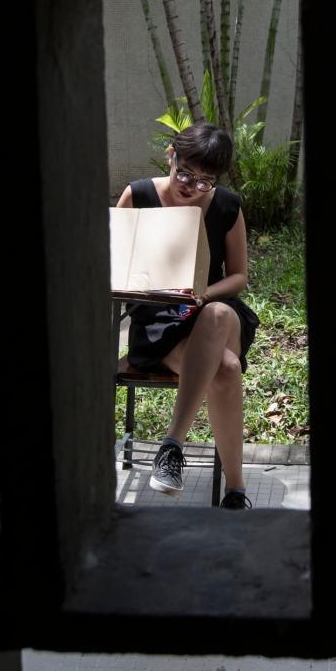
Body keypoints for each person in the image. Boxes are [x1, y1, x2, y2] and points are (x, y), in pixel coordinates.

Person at [116, 122, 260, 509]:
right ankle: (236, 491)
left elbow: (239, 276)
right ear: (171, 155)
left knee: (214, 314)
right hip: (159, 323)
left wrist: (201, 294)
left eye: (204, 181)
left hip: (214, 311)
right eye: (185, 173)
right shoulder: (139, 195)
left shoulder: (227, 205)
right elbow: (114, 266)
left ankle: (172, 443)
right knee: (226, 369)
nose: (191, 186)